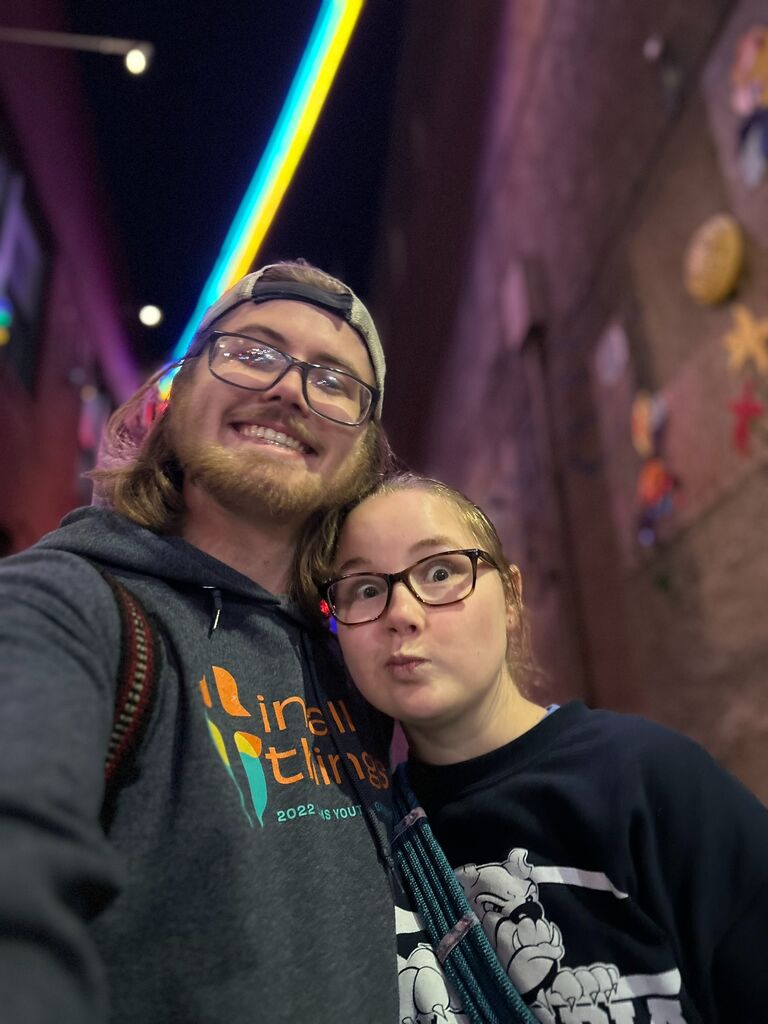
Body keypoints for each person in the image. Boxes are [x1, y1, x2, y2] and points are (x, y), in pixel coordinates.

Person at [0, 260, 404, 1023]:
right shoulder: (63, 606)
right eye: (252, 352)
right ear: (175, 397)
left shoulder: (363, 656)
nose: (289, 389)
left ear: (363, 457)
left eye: (334, 381)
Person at [313, 472, 768, 1024]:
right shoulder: (359, 839)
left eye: (439, 572)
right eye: (364, 589)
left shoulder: (648, 782)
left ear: (510, 596)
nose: (401, 613)